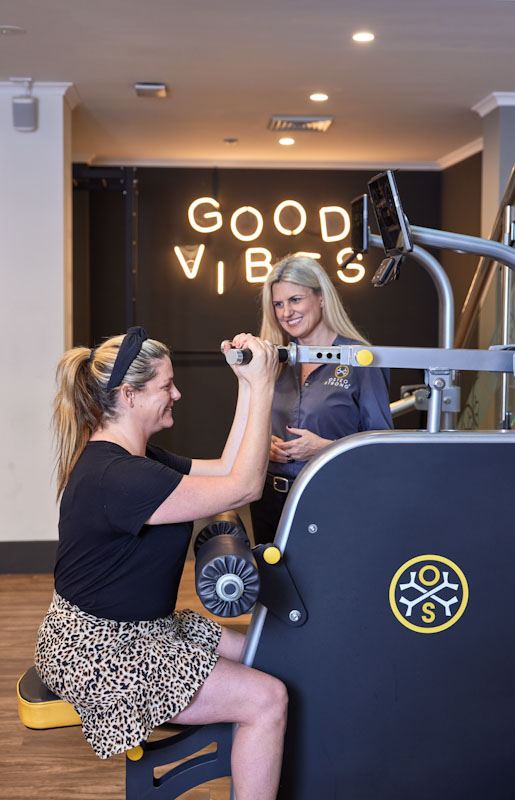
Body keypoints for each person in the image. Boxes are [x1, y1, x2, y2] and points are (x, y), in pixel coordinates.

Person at [34, 326, 287, 800]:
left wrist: (246, 385)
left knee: (268, 653)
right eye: (166, 385)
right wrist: (266, 384)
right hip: (101, 651)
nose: (177, 394)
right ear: (129, 396)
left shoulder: (136, 458)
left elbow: (228, 469)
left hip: (144, 630)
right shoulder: (119, 476)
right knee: (266, 699)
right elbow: (246, 487)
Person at [250, 255, 393, 545]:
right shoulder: (274, 360)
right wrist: (264, 444)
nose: (286, 312)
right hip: (270, 501)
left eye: (295, 299)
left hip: (332, 497)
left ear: (321, 298)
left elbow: (382, 447)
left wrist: (325, 449)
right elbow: (250, 425)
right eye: (278, 304)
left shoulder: (360, 360)